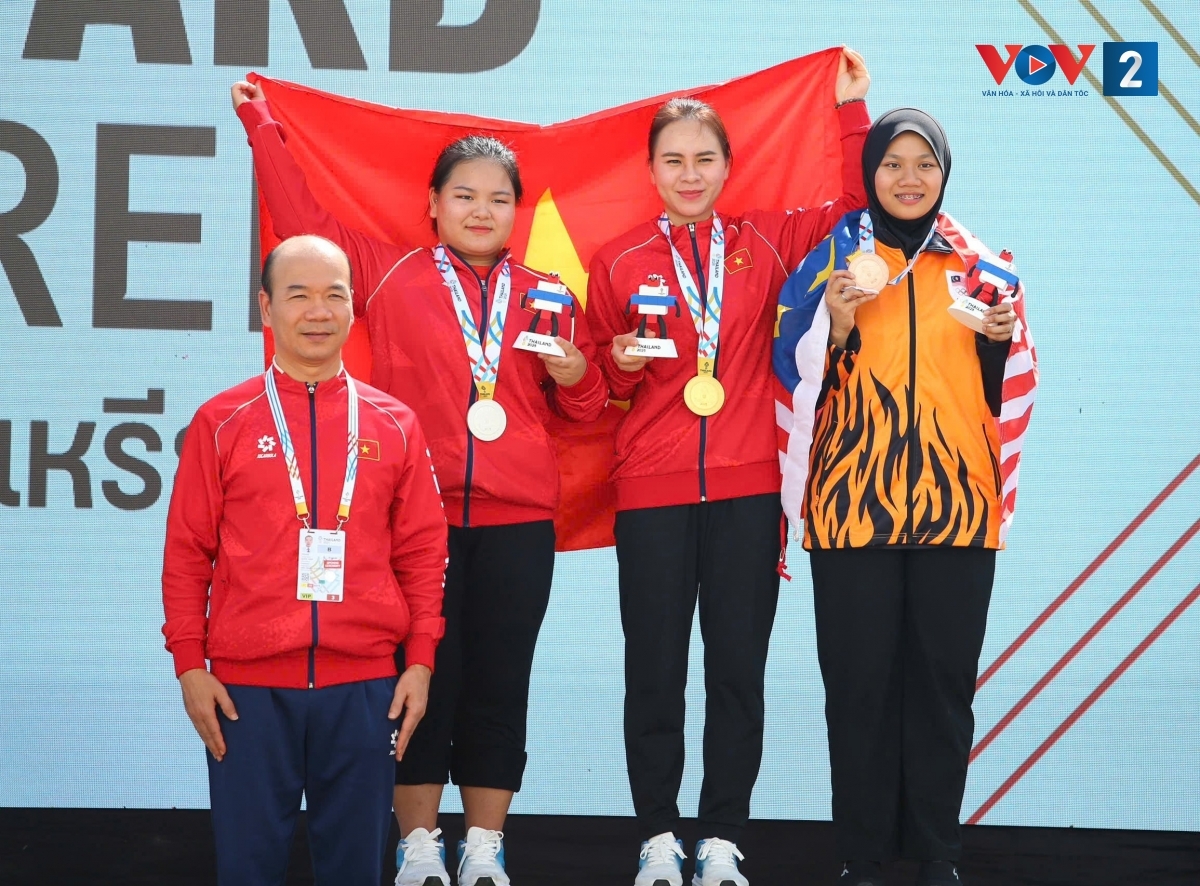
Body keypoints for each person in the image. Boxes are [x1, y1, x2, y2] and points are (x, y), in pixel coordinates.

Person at [231, 81, 610, 886]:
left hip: (518, 522)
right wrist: (262, 124)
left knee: (500, 683)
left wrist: (576, 372)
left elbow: (584, 409)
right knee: (418, 679)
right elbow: (302, 223)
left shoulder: (547, 293)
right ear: (433, 204)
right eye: (463, 195)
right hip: (415, 518)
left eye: (498, 199)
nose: (481, 211)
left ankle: (485, 847)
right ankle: (418, 844)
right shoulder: (389, 270)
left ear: (516, 212)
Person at [585, 49, 872, 886]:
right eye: (673, 159)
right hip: (652, 494)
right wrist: (618, 364)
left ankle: (720, 837)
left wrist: (851, 110)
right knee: (655, 672)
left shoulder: (768, 241)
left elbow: (855, 210)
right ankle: (656, 836)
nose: (689, 174)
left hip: (750, 492)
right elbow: (595, 390)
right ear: (650, 170)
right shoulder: (617, 259)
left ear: (727, 166)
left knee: (738, 672)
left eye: (704, 158)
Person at [775, 108, 1035, 886]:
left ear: (944, 174)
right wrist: (836, 326)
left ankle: (935, 853)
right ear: (870, 173)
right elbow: (790, 373)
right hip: (852, 510)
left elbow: (1009, 391)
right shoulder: (832, 263)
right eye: (893, 163)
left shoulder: (982, 267)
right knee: (857, 689)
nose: (909, 178)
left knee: (943, 691)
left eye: (925, 164)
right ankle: (859, 854)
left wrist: (998, 342)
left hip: (958, 512)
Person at [162, 235, 449, 886]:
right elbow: (187, 552)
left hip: (365, 689)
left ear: (352, 309)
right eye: (298, 295)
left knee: (355, 870)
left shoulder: (395, 423)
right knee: (248, 869)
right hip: (247, 693)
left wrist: (420, 660)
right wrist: (190, 666)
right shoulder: (222, 420)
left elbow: (423, 551)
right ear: (266, 308)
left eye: (334, 295)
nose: (318, 311)